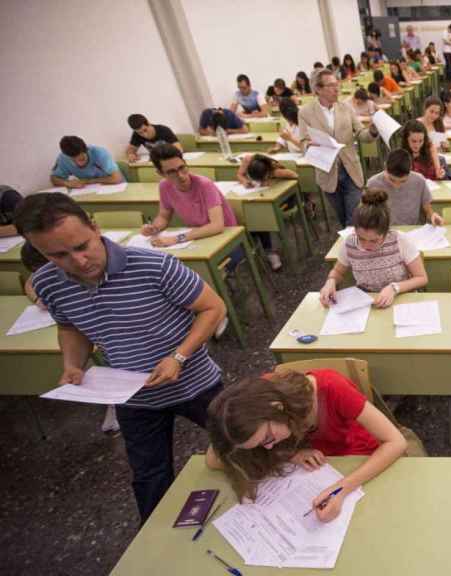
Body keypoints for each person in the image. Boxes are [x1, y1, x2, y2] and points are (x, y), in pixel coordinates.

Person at [15, 193, 227, 523]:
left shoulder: (155, 265)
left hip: (195, 383)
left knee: (241, 444)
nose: (79, 260)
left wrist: (178, 357)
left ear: (95, 228)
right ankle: (157, 545)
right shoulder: (48, 283)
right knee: (149, 477)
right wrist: (72, 364)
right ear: (40, 252)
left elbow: (213, 308)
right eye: (59, 255)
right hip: (132, 393)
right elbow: (70, 326)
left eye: (83, 245)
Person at [205, 368, 407, 521]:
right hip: (319, 468)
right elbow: (212, 459)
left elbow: (396, 442)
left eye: (267, 439)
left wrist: (340, 490)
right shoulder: (255, 405)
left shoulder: (332, 387)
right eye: (259, 445)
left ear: (278, 408)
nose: (268, 448)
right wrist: (290, 455)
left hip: (361, 458)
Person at [319, 189, 429, 309]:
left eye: (374, 240)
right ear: (355, 230)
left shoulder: (399, 240)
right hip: (368, 303)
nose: (366, 245)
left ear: (386, 232)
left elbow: (421, 278)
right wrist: (330, 281)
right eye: (361, 238)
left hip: (401, 300)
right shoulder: (349, 243)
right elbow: (338, 272)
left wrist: (394, 288)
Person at [142, 144, 249, 264]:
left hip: (228, 241)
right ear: (161, 173)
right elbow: (163, 216)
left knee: (192, 270)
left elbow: (217, 226)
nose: (180, 175)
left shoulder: (204, 185)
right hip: (197, 239)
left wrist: (176, 239)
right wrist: (154, 228)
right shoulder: (164, 186)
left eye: (182, 168)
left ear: (185, 162)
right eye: (171, 172)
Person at [298, 68, 377, 228]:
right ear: (318, 89)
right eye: (331, 85)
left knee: (353, 219)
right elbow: (303, 142)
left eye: (337, 84)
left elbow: (362, 134)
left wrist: (373, 131)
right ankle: (352, 245)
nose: (337, 89)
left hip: (351, 169)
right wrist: (309, 145)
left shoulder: (346, 108)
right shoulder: (305, 112)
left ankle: (357, 248)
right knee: (343, 218)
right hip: (327, 172)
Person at [235, 153, 300, 271]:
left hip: (283, 200)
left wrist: (274, 179)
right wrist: (245, 181)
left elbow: (295, 176)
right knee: (252, 214)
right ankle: (262, 247)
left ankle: (267, 250)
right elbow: (239, 174)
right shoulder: (248, 159)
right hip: (258, 198)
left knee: (257, 216)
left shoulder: (275, 170)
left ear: (268, 172)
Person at [366, 149, 444, 226]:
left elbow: (427, 208)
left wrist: (432, 215)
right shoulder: (373, 184)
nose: (396, 185)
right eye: (392, 180)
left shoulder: (419, 180)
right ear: (385, 166)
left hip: (412, 230)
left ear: (410, 169)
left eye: (403, 181)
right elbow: (367, 213)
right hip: (384, 230)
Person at [50, 136, 123, 189]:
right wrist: (67, 183)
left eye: (82, 159)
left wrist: (88, 181)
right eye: (73, 160)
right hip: (87, 191)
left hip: (113, 187)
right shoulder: (63, 158)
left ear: (86, 150)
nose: (79, 164)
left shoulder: (99, 153)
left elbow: (117, 178)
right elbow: (54, 178)